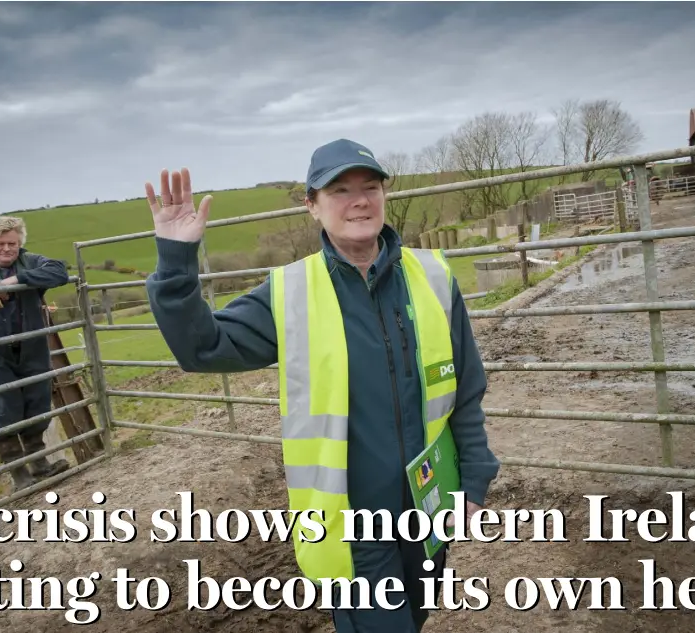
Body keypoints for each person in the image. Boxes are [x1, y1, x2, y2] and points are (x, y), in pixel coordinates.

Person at [144, 139, 500, 631]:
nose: (359, 200)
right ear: (312, 206)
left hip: (427, 505)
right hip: (349, 519)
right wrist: (176, 261)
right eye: (340, 190)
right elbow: (201, 347)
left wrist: (474, 478)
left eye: (370, 187)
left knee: (415, 617)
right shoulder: (290, 292)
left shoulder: (433, 277)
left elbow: (464, 389)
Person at [0, 216, 72, 493]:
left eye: (13, 244)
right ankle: (19, 475)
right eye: (0, 243)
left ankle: (40, 465)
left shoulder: (29, 261)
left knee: (35, 403)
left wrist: (17, 280)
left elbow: (58, 271)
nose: (7, 249)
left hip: (30, 347)